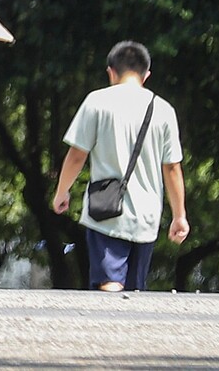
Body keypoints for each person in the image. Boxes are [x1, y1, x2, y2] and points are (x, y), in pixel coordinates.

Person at [52, 40, 189, 292]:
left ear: (110, 72)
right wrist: (179, 216)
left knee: (110, 284)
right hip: (147, 217)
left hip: (106, 211)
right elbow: (172, 168)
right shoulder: (163, 110)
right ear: (146, 75)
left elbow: (76, 156)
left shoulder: (96, 102)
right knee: (134, 291)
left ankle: (110, 329)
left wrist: (62, 192)